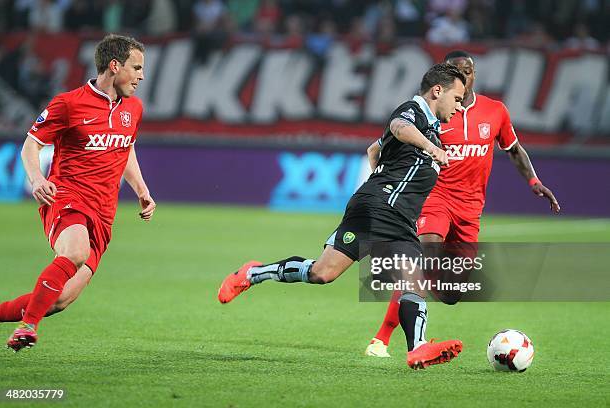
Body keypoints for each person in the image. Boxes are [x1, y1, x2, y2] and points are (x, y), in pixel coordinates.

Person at [218, 63, 466, 369]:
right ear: (437, 91)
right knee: (405, 278)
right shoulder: (413, 111)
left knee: (324, 273)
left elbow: (373, 150)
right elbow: (397, 129)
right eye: (457, 98)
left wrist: (387, 176)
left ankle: (252, 274)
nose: (460, 106)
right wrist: (428, 150)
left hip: (388, 211)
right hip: (380, 208)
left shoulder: (432, 130)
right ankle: (416, 347)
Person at [364, 50, 560, 358]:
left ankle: (404, 323)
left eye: (468, 70)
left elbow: (514, 149)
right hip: (434, 199)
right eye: (456, 70)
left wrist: (534, 182)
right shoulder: (432, 114)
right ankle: (386, 339)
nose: (463, 76)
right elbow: (382, 143)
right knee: (425, 261)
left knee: (452, 293)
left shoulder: (495, 111)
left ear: (474, 74)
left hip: (470, 209)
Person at [0, 34, 156, 351]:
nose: (141, 76)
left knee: (59, 300)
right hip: (67, 198)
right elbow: (31, 145)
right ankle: (27, 326)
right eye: (136, 68)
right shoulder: (68, 104)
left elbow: (125, 149)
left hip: (104, 213)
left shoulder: (133, 109)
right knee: (74, 253)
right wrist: (36, 179)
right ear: (114, 66)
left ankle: (23, 316)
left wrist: (142, 189)